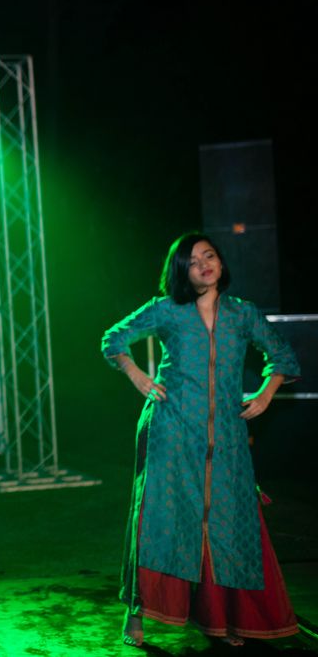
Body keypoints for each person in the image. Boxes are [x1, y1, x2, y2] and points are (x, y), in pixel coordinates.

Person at [102, 232, 300, 648]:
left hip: (226, 434)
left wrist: (266, 393)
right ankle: (136, 614)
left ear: (221, 264)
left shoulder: (242, 314)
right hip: (170, 429)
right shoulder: (168, 311)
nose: (204, 264)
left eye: (209, 256)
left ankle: (222, 618)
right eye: (192, 261)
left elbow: (282, 355)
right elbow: (114, 339)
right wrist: (139, 377)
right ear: (181, 272)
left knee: (227, 521)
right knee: (158, 518)